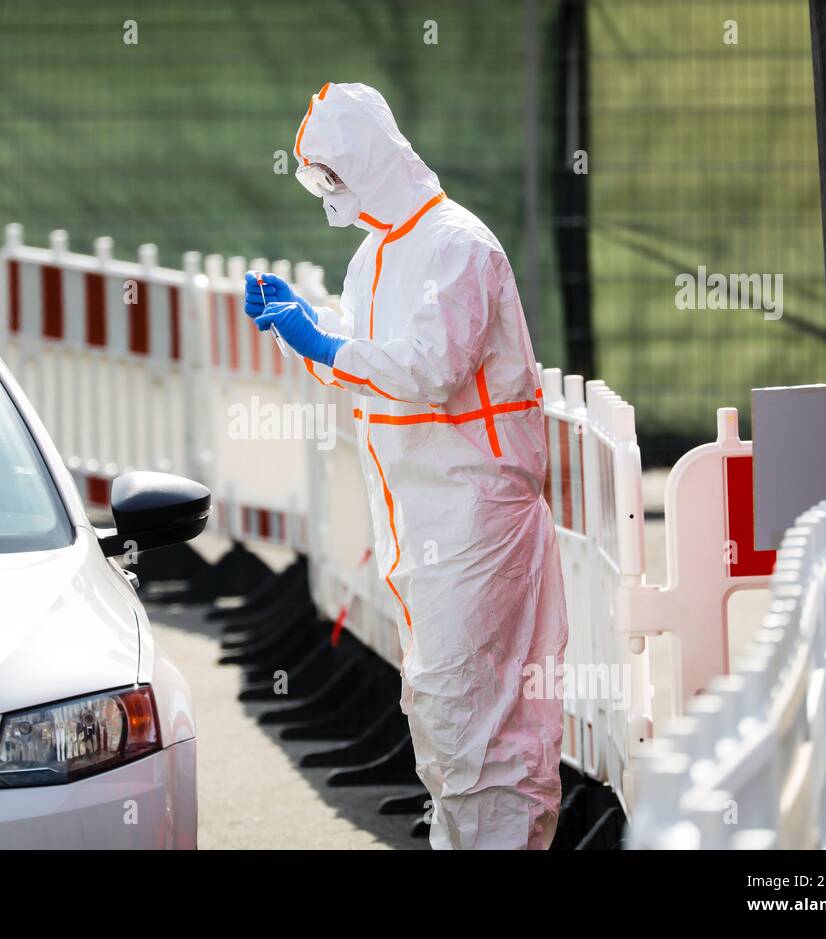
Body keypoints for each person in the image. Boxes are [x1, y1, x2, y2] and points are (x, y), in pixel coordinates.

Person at [242, 82, 568, 850]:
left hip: (476, 517)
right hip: (422, 523)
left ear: (367, 162)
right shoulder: (375, 255)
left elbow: (427, 368)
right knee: (444, 717)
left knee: (487, 726)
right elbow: (368, 363)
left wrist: (324, 342)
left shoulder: (460, 246)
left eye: (332, 173)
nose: (327, 192)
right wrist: (310, 328)